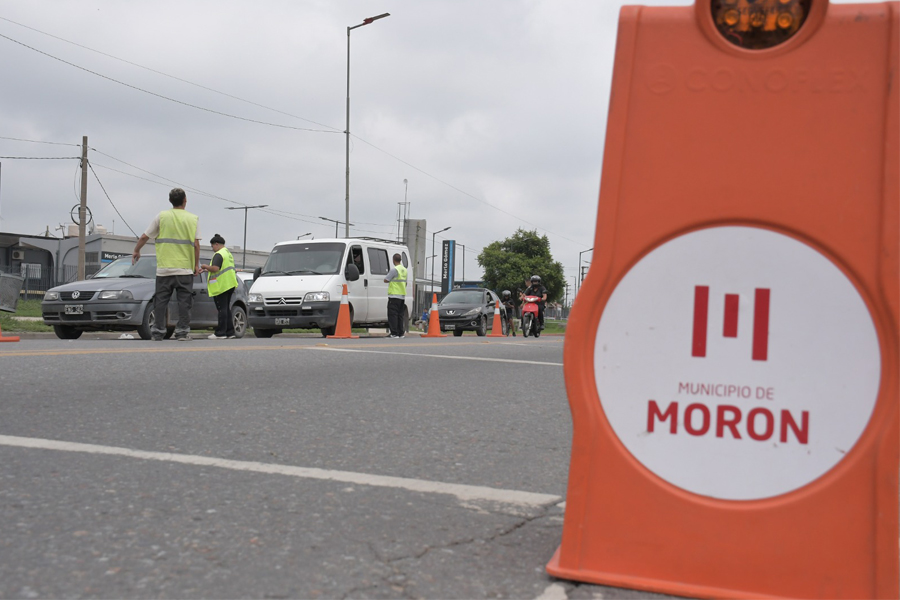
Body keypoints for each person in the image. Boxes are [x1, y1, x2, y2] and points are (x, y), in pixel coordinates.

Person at [132, 188, 200, 341]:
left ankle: (158, 332)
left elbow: (144, 236)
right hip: (184, 269)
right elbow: (196, 245)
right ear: (185, 200)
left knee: (160, 302)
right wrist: (196, 265)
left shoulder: (161, 216)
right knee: (184, 302)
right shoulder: (193, 219)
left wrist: (136, 250)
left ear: (170, 201)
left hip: (164, 269)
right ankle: (182, 332)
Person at [200, 234, 238, 339]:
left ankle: (220, 333)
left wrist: (205, 266)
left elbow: (216, 268)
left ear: (216, 244)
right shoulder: (227, 253)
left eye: (212, 246)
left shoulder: (218, 254)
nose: (212, 249)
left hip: (222, 285)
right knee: (226, 309)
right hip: (230, 283)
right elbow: (222, 268)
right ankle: (230, 332)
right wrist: (207, 270)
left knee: (222, 309)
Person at [383, 253, 407, 338]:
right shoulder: (404, 270)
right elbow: (405, 283)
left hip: (394, 295)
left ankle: (394, 333)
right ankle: (400, 333)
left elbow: (386, 280)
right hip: (402, 295)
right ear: (400, 260)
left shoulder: (394, 270)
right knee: (400, 315)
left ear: (393, 260)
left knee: (393, 314)